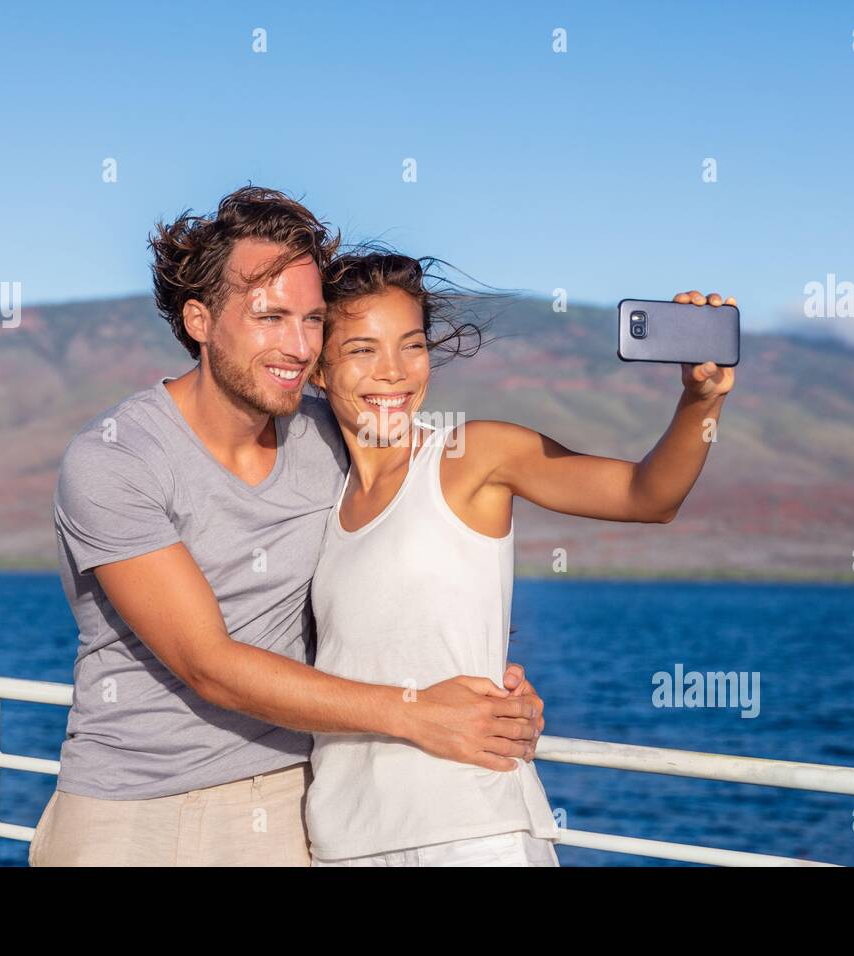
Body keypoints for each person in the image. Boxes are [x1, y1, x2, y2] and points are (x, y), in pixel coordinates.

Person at [28, 187, 544, 867]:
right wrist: (421, 712)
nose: (298, 346)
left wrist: (489, 686)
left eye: (311, 321)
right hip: (126, 814)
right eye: (270, 317)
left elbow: (426, 541)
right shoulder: (116, 458)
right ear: (199, 319)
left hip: (282, 805)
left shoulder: (333, 434)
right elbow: (208, 665)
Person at [303, 251, 735, 866]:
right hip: (344, 839)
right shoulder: (321, 493)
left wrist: (702, 400)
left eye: (412, 345)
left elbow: (649, 497)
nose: (393, 372)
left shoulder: (471, 456)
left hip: (470, 831)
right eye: (362, 350)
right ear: (319, 368)